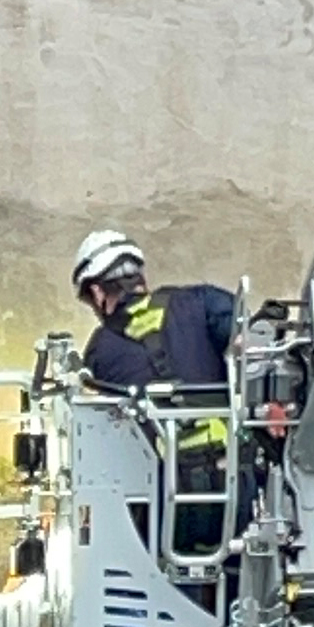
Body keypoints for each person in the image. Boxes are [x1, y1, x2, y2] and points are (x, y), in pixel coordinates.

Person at [69, 230, 247, 561]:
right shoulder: (200, 301)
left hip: (163, 501)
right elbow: (251, 337)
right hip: (236, 485)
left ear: (96, 290)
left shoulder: (99, 350)